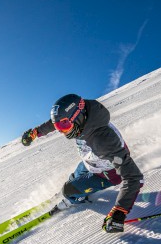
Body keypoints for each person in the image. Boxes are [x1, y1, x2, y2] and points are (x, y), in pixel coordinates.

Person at [21, 93, 144, 232]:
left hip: (106, 174)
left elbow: (133, 177)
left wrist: (119, 212)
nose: (62, 131)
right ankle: (73, 191)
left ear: (78, 116)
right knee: (72, 179)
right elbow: (54, 123)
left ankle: (74, 199)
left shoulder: (104, 140)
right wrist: (36, 132)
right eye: (59, 126)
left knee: (69, 190)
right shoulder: (81, 121)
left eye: (65, 126)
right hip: (91, 162)